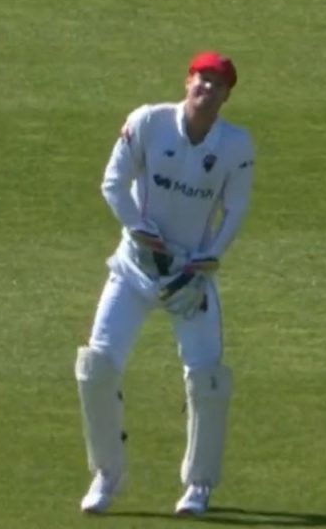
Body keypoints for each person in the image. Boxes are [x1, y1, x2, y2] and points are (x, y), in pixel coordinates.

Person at [75, 52, 255, 516]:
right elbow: (113, 183)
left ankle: (198, 486)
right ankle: (107, 476)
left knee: (207, 379)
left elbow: (234, 210)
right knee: (96, 367)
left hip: (188, 277)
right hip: (135, 268)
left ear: (227, 94)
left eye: (218, 84)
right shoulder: (148, 122)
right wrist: (138, 229)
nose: (207, 88)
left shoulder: (236, 146)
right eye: (202, 79)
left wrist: (207, 259)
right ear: (188, 80)